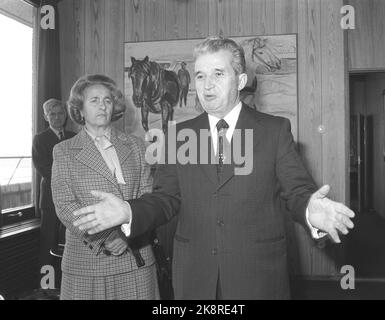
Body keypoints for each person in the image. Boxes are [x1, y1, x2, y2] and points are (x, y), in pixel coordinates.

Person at [72, 37, 355, 300]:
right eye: (200, 75)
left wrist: (309, 208)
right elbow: (165, 199)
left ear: (241, 80)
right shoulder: (178, 135)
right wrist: (129, 211)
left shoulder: (274, 130)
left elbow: (296, 190)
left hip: (257, 275)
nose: (207, 85)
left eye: (218, 74)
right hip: (195, 276)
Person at [51, 74, 158, 300]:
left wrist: (126, 235)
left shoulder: (137, 146)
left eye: (107, 100)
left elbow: (149, 198)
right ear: (80, 109)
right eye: (94, 100)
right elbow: (64, 206)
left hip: (134, 259)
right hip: (87, 263)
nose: (102, 105)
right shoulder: (63, 151)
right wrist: (106, 238)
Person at [32, 99, 75, 274]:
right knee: (48, 244)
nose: (57, 117)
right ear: (45, 116)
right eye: (52, 114)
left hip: (74, 199)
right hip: (50, 200)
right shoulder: (40, 139)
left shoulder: (74, 137)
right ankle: (46, 286)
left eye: (61, 113)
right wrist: (69, 179)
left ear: (66, 115)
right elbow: (43, 168)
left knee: (70, 243)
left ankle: (65, 285)